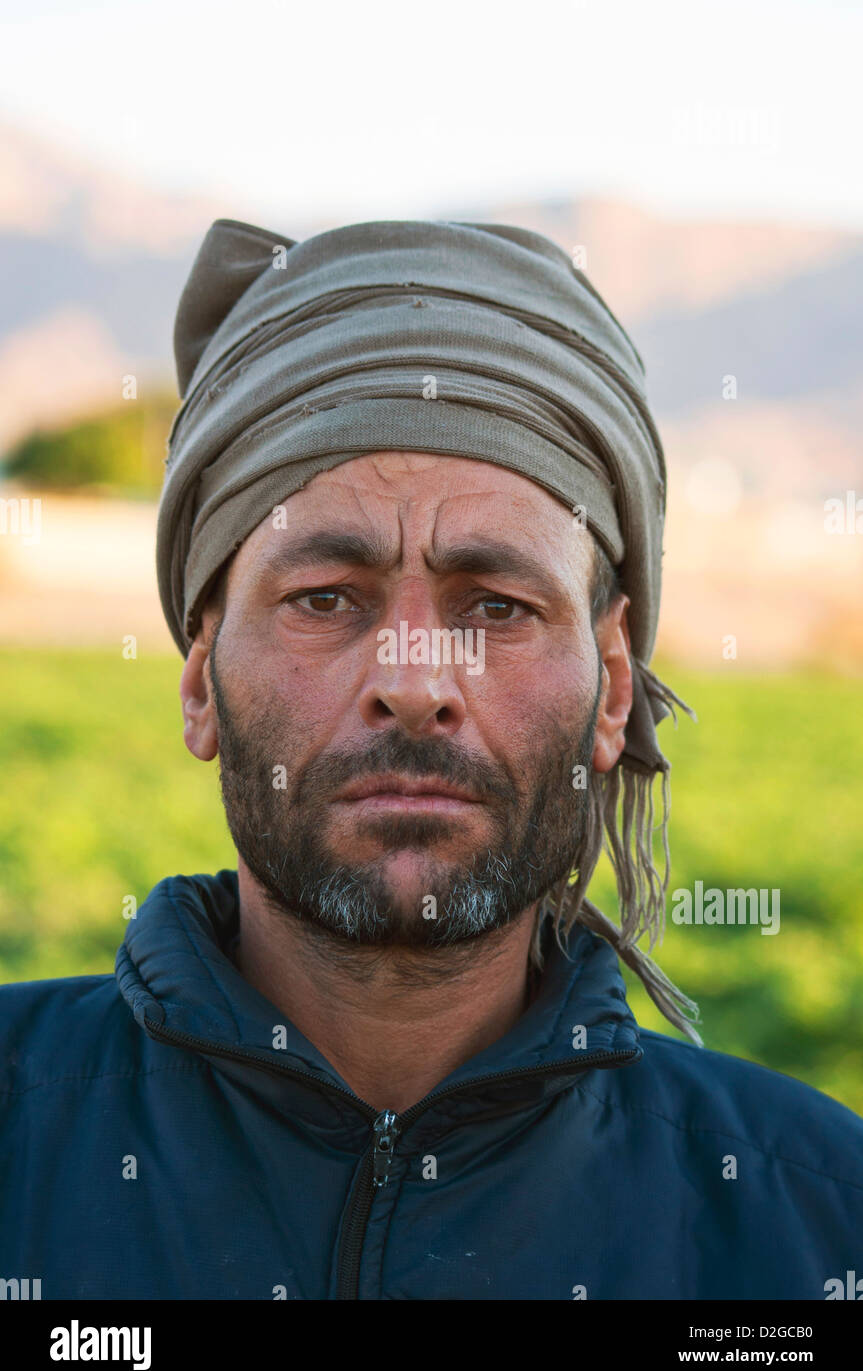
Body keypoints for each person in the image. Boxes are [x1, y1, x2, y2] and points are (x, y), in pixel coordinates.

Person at [1, 219, 860, 1301]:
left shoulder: (812, 1221)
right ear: (198, 677)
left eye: (496, 606)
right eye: (325, 598)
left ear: (612, 688)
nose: (413, 678)